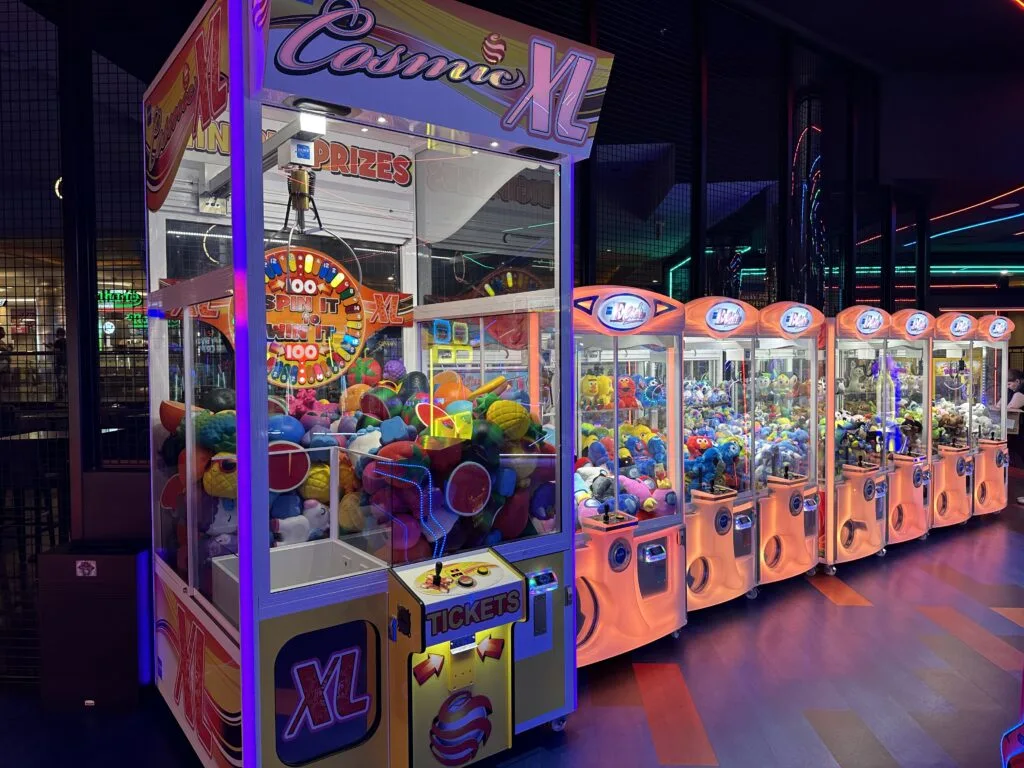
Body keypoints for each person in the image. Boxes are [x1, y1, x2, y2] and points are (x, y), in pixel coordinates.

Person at [48, 327, 67, 400]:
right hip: (67, 363)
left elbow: (56, 350)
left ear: (58, 334)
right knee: (65, 378)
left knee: (58, 379)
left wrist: (50, 346)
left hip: (59, 363)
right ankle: (67, 390)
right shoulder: (66, 341)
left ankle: (60, 395)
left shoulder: (58, 342)